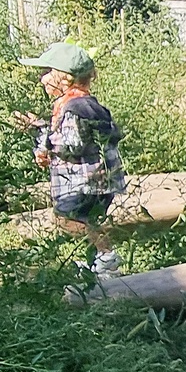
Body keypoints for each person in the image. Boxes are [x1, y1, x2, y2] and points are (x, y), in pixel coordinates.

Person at [14, 42, 126, 276]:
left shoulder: (75, 107)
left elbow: (73, 145)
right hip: (101, 180)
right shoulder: (85, 104)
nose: (43, 79)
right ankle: (101, 265)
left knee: (66, 218)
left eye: (47, 73)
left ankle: (107, 256)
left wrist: (43, 139)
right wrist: (41, 128)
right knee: (88, 219)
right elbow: (77, 137)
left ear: (65, 78)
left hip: (86, 181)